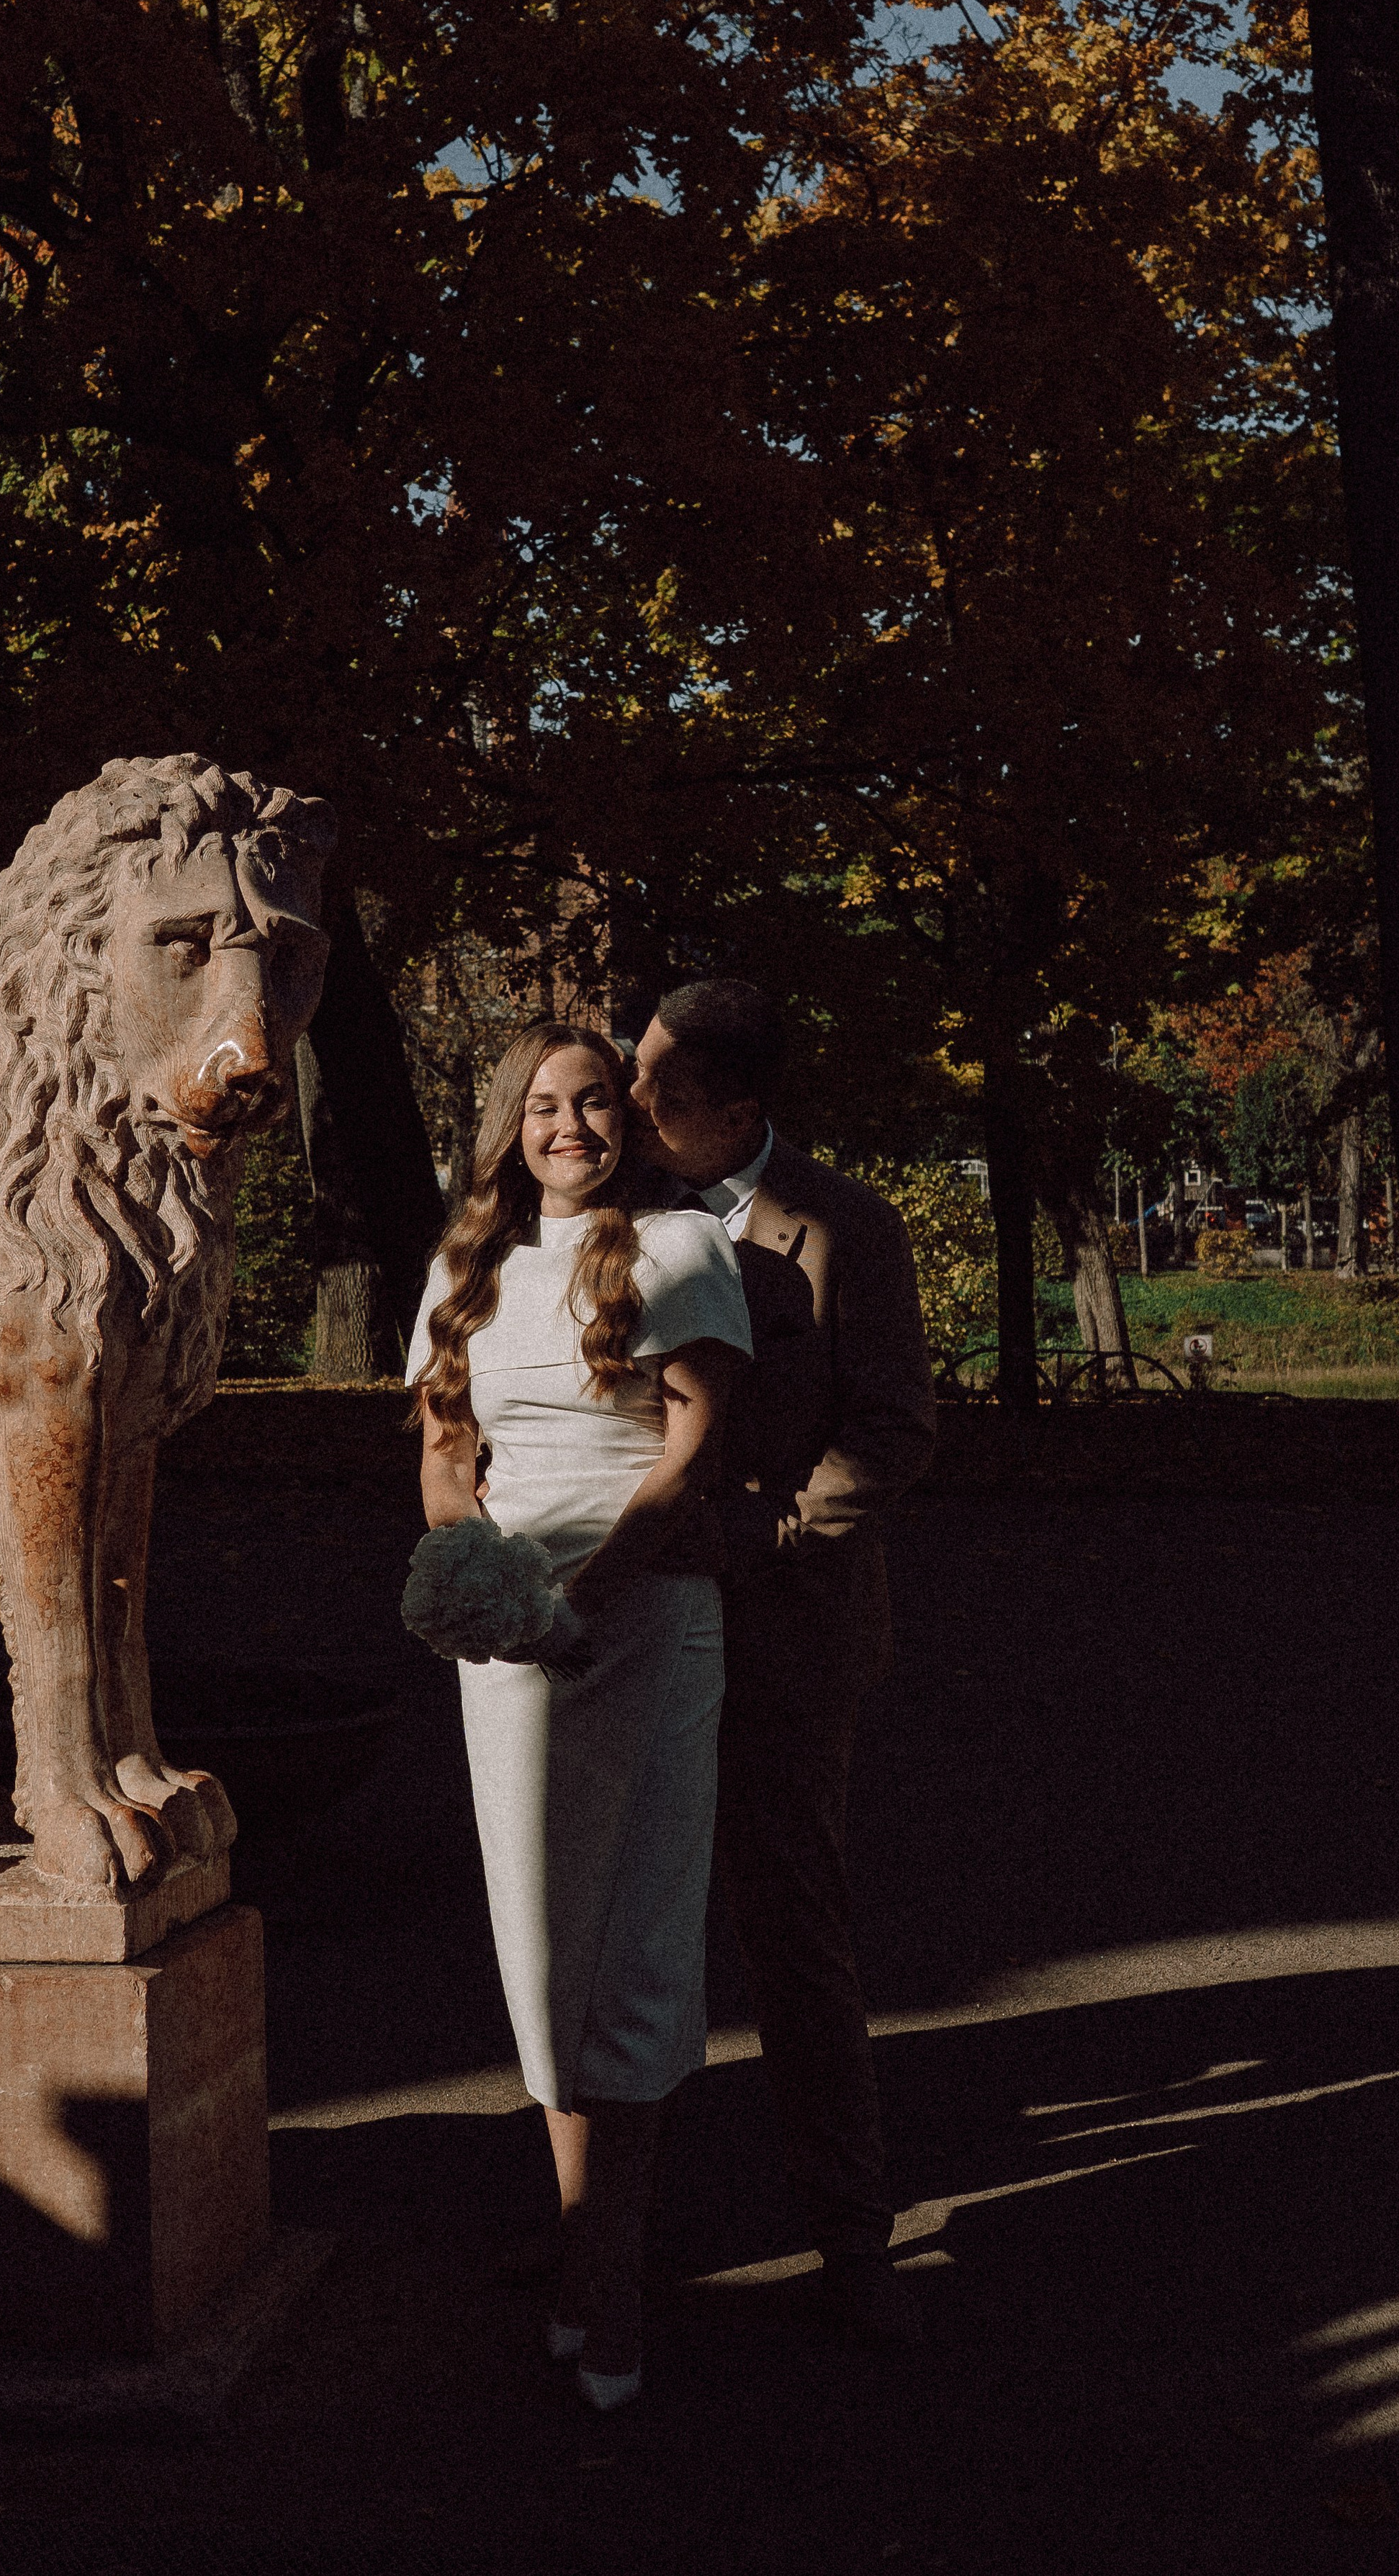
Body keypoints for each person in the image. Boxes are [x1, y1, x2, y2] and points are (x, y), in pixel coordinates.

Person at [407, 1022, 752, 2409]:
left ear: (629, 1119)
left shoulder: (680, 1251)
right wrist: (487, 1584)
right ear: (511, 1124)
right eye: (543, 1105)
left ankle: (614, 2279)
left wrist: (597, 1586)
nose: (568, 1125)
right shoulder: (465, 1269)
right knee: (541, 1942)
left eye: (593, 1101)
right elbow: (443, 1451)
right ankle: (580, 2249)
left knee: (640, 1937)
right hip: (511, 1648)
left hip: (647, 1622)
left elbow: (695, 1445)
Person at [629, 980, 936, 2341]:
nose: (631, 1105)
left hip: (787, 1628)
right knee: (620, 1922)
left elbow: (894, 1430)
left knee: (791, 1929)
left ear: (741, 1110)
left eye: (660, 1089)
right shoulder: (610, 1212)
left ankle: (850, 2234)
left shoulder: (845, 1226)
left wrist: (763, 1535)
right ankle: (604, 2233)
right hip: (627, 1622)